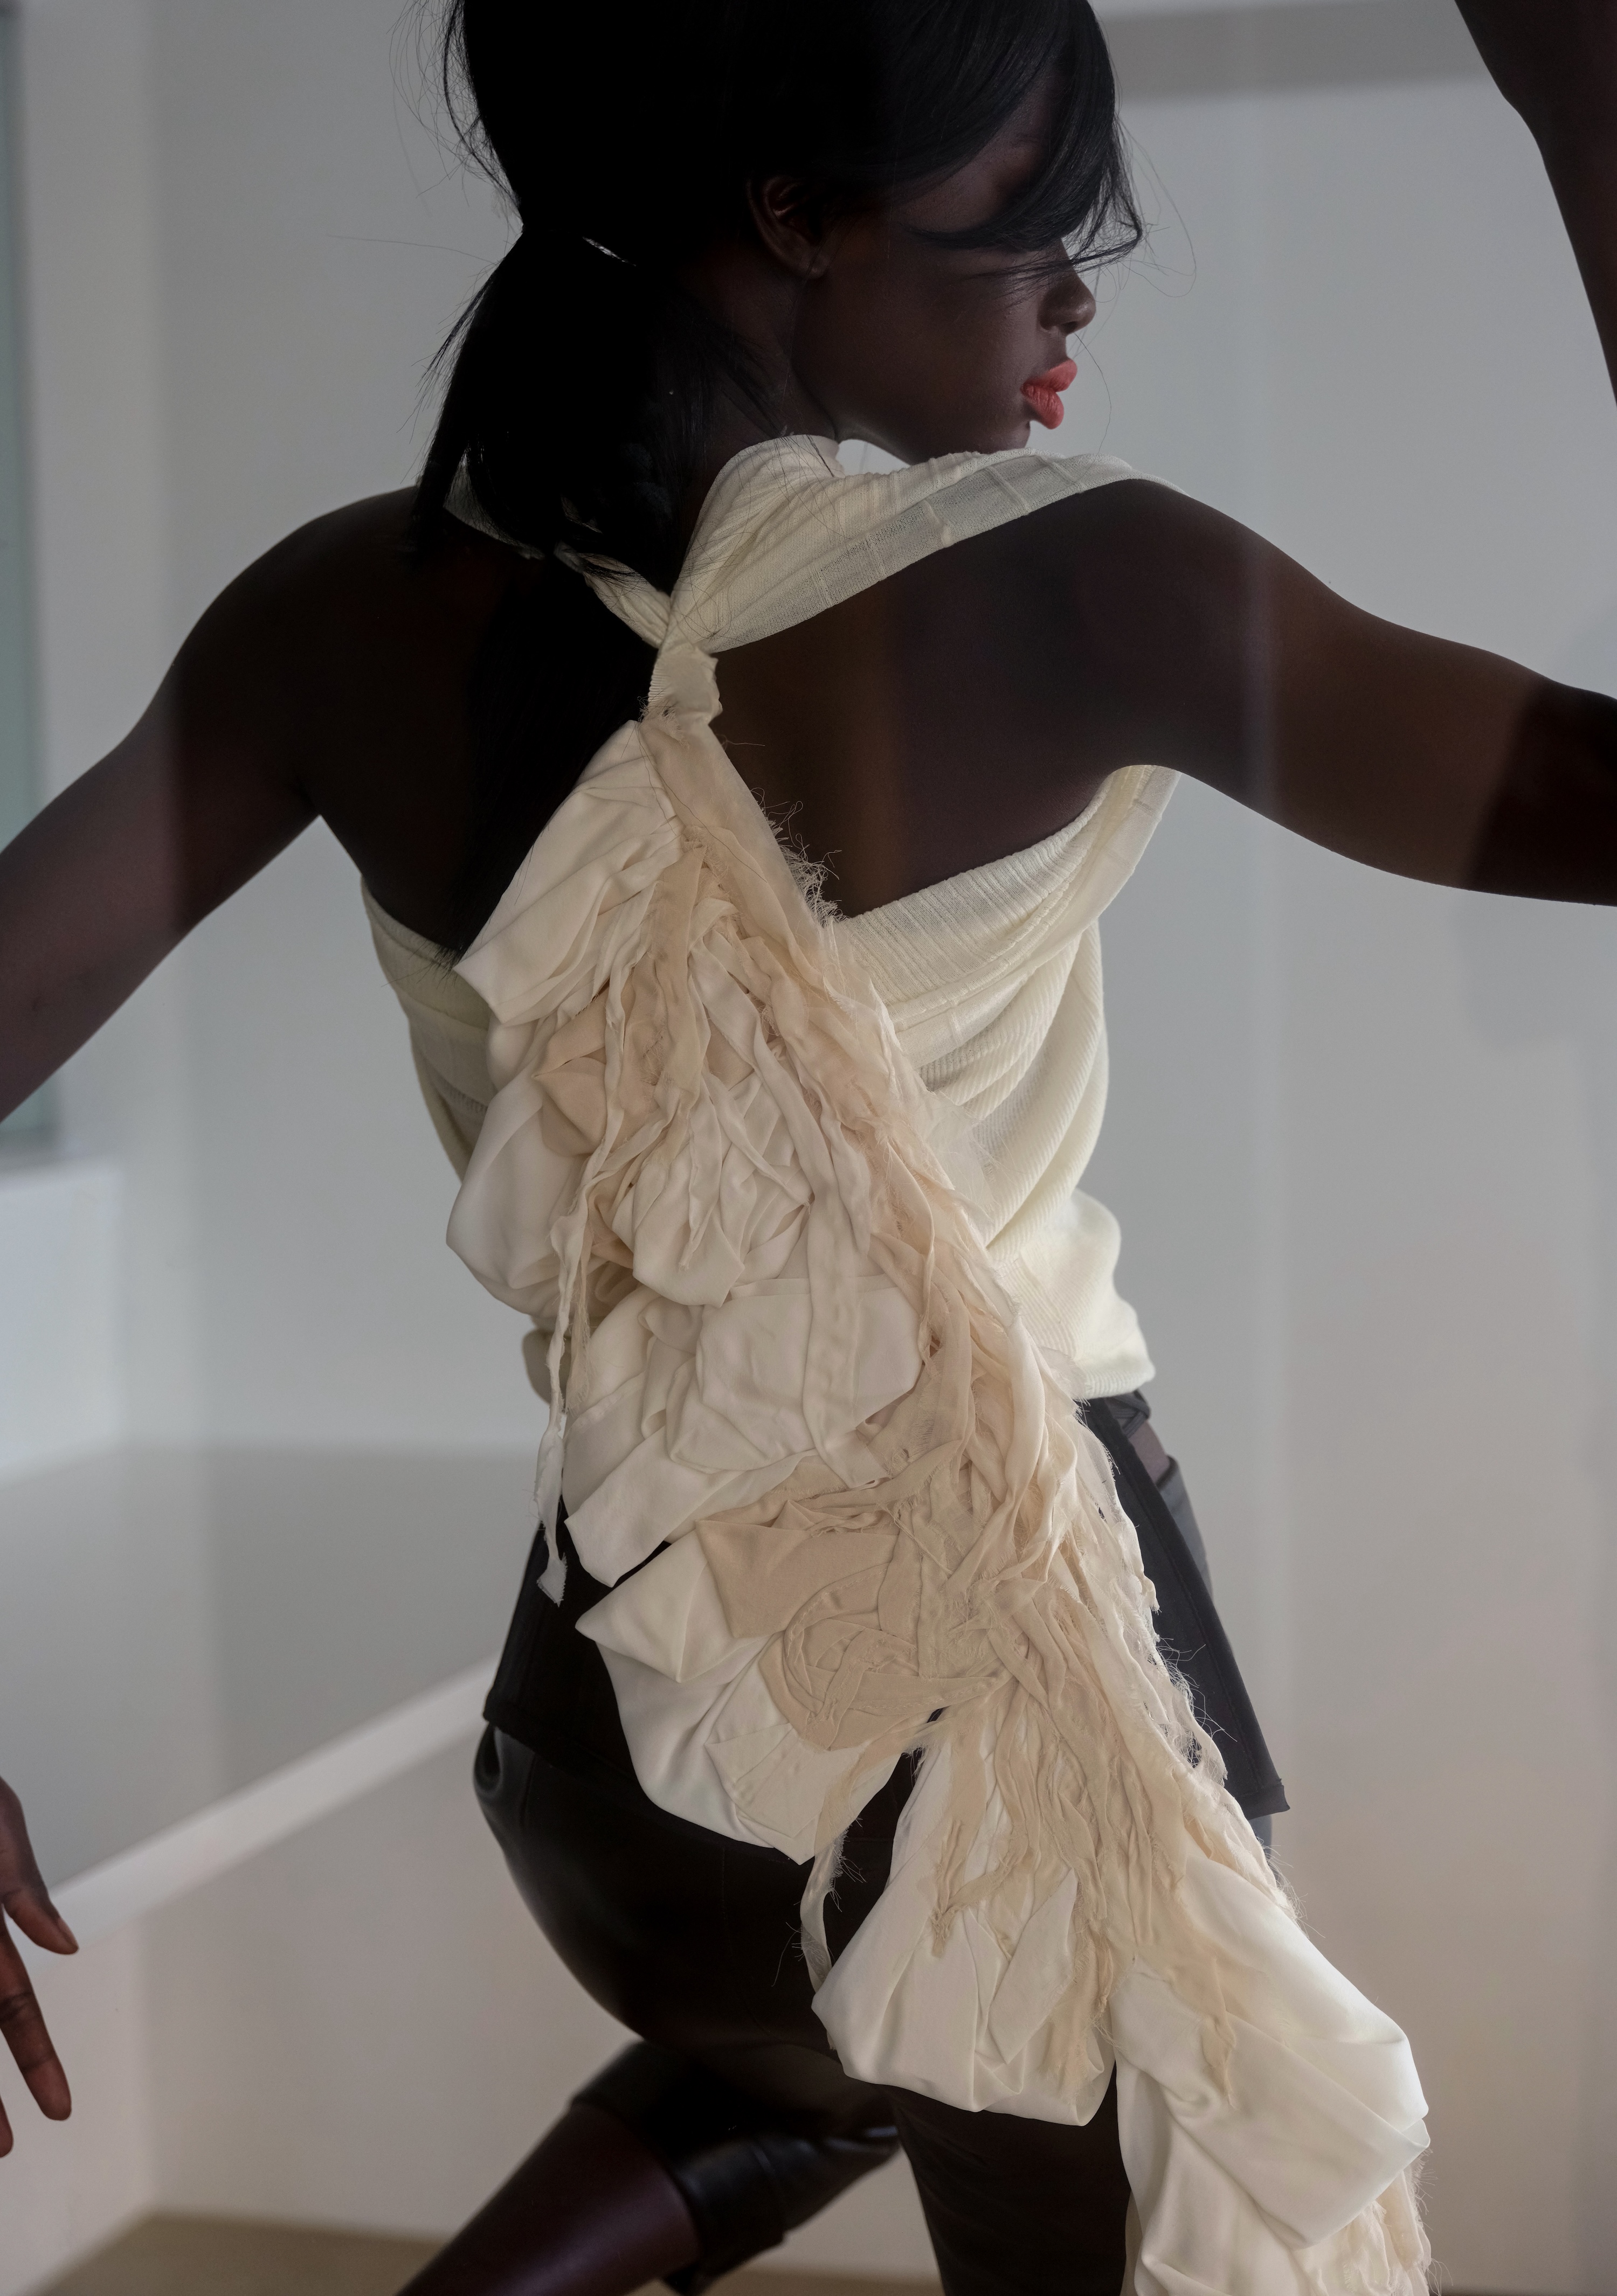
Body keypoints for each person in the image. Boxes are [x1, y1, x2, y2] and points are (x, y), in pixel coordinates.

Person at [2, 2, 1614, 2290]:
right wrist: (1584, 100)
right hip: (1002, 1705)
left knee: (841, 2044)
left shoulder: (332, 618)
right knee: (1156, 2145)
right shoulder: (1082, 586)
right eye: (1030, 230)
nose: (1076, 296)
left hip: (620, 1763)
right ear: (796, 217)